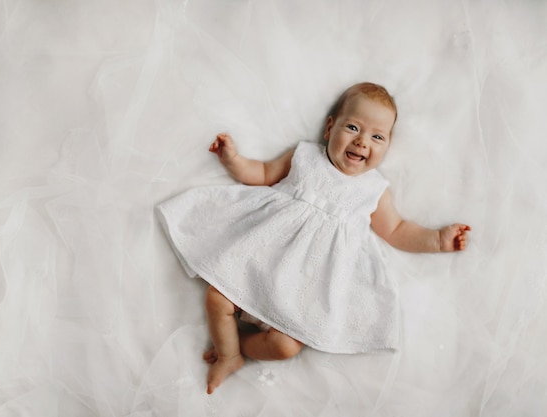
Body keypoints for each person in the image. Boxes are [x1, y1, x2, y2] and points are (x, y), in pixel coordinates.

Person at [156, 82, 471, 394]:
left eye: (377, 136)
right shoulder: (305, 156)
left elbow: (397, 230)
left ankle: (242, 348)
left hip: (302, 290)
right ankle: (228, 355)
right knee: (216, 298)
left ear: (387, 146)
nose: (362, 142)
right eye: (353, 127)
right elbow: (263, 174)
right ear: (329, 128)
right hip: (259, 262)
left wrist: (439, 240)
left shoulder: (373, 190)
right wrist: (233, 160)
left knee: (286, 347)